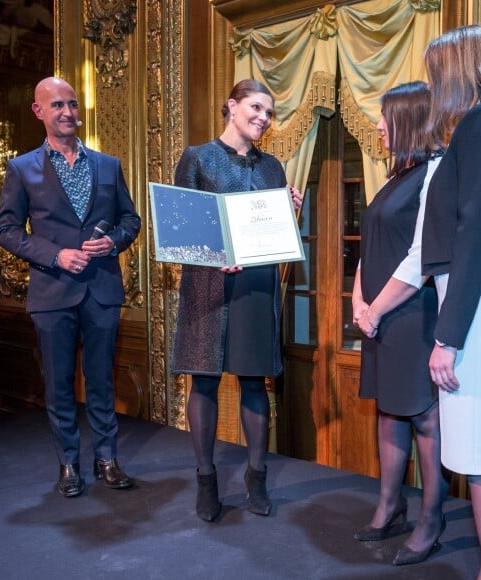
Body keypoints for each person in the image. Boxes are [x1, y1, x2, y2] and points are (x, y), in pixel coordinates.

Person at [0, 77, 141, 498]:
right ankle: (68, 465)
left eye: (73, 104)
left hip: (102, 290)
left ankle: (107, 460)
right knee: (59, 385)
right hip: (52, 292)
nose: (68, 112)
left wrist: (113, 241)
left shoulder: (108, 165)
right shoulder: (21, 168)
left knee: (102, 382)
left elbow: (130, 221)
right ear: (39, 112)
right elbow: (5, 230)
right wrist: (54, 255)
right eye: (57, 105)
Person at [171, 79, 302, 522]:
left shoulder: (273, 168)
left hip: (255, 287)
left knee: (253, 381)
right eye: (256, 108)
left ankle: (256, 477)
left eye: (269, 112)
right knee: (203, 381)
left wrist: (290, 211)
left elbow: (276, 237)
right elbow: (180, 229)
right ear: (231, 106)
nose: (264, 118)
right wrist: (212, 258)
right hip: (208, 287)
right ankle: (206, 481)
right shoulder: (198, 157)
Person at [422, 25, 481, 580]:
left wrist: (447, 337)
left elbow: (474, 230)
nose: (433, 86)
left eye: (436, 73)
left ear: (457, 70)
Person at [352, 81, 449, 566]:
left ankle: (431, 519)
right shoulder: (397, 174)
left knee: (423, 417)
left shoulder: (434, 172)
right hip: (380, 318)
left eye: (385, 117)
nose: (378, 125)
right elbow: (370, 249)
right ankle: (390, 508)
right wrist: (356, 300)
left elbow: (420, 258)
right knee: (389, 411)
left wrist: (376, 309)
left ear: (409, 119)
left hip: (411, 315)